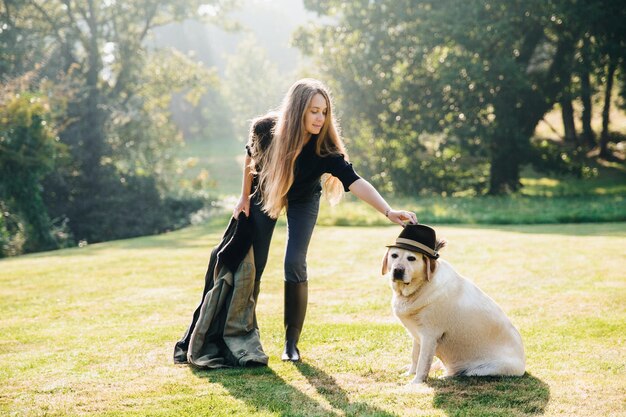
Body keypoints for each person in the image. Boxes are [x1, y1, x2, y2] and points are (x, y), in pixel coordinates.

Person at [232, 78, 418, 362]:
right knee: (256, 260)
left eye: (324, 112)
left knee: (294, 261)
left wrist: (388, 211)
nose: (320, 118)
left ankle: (290, 344)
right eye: (313, 111)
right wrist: (244, 197)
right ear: (297, 111)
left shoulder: (325, 149)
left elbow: (355, 181)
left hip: (304, 198)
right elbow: (250, 156)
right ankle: (246, 335)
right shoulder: (265, 129)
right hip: (267, 189)